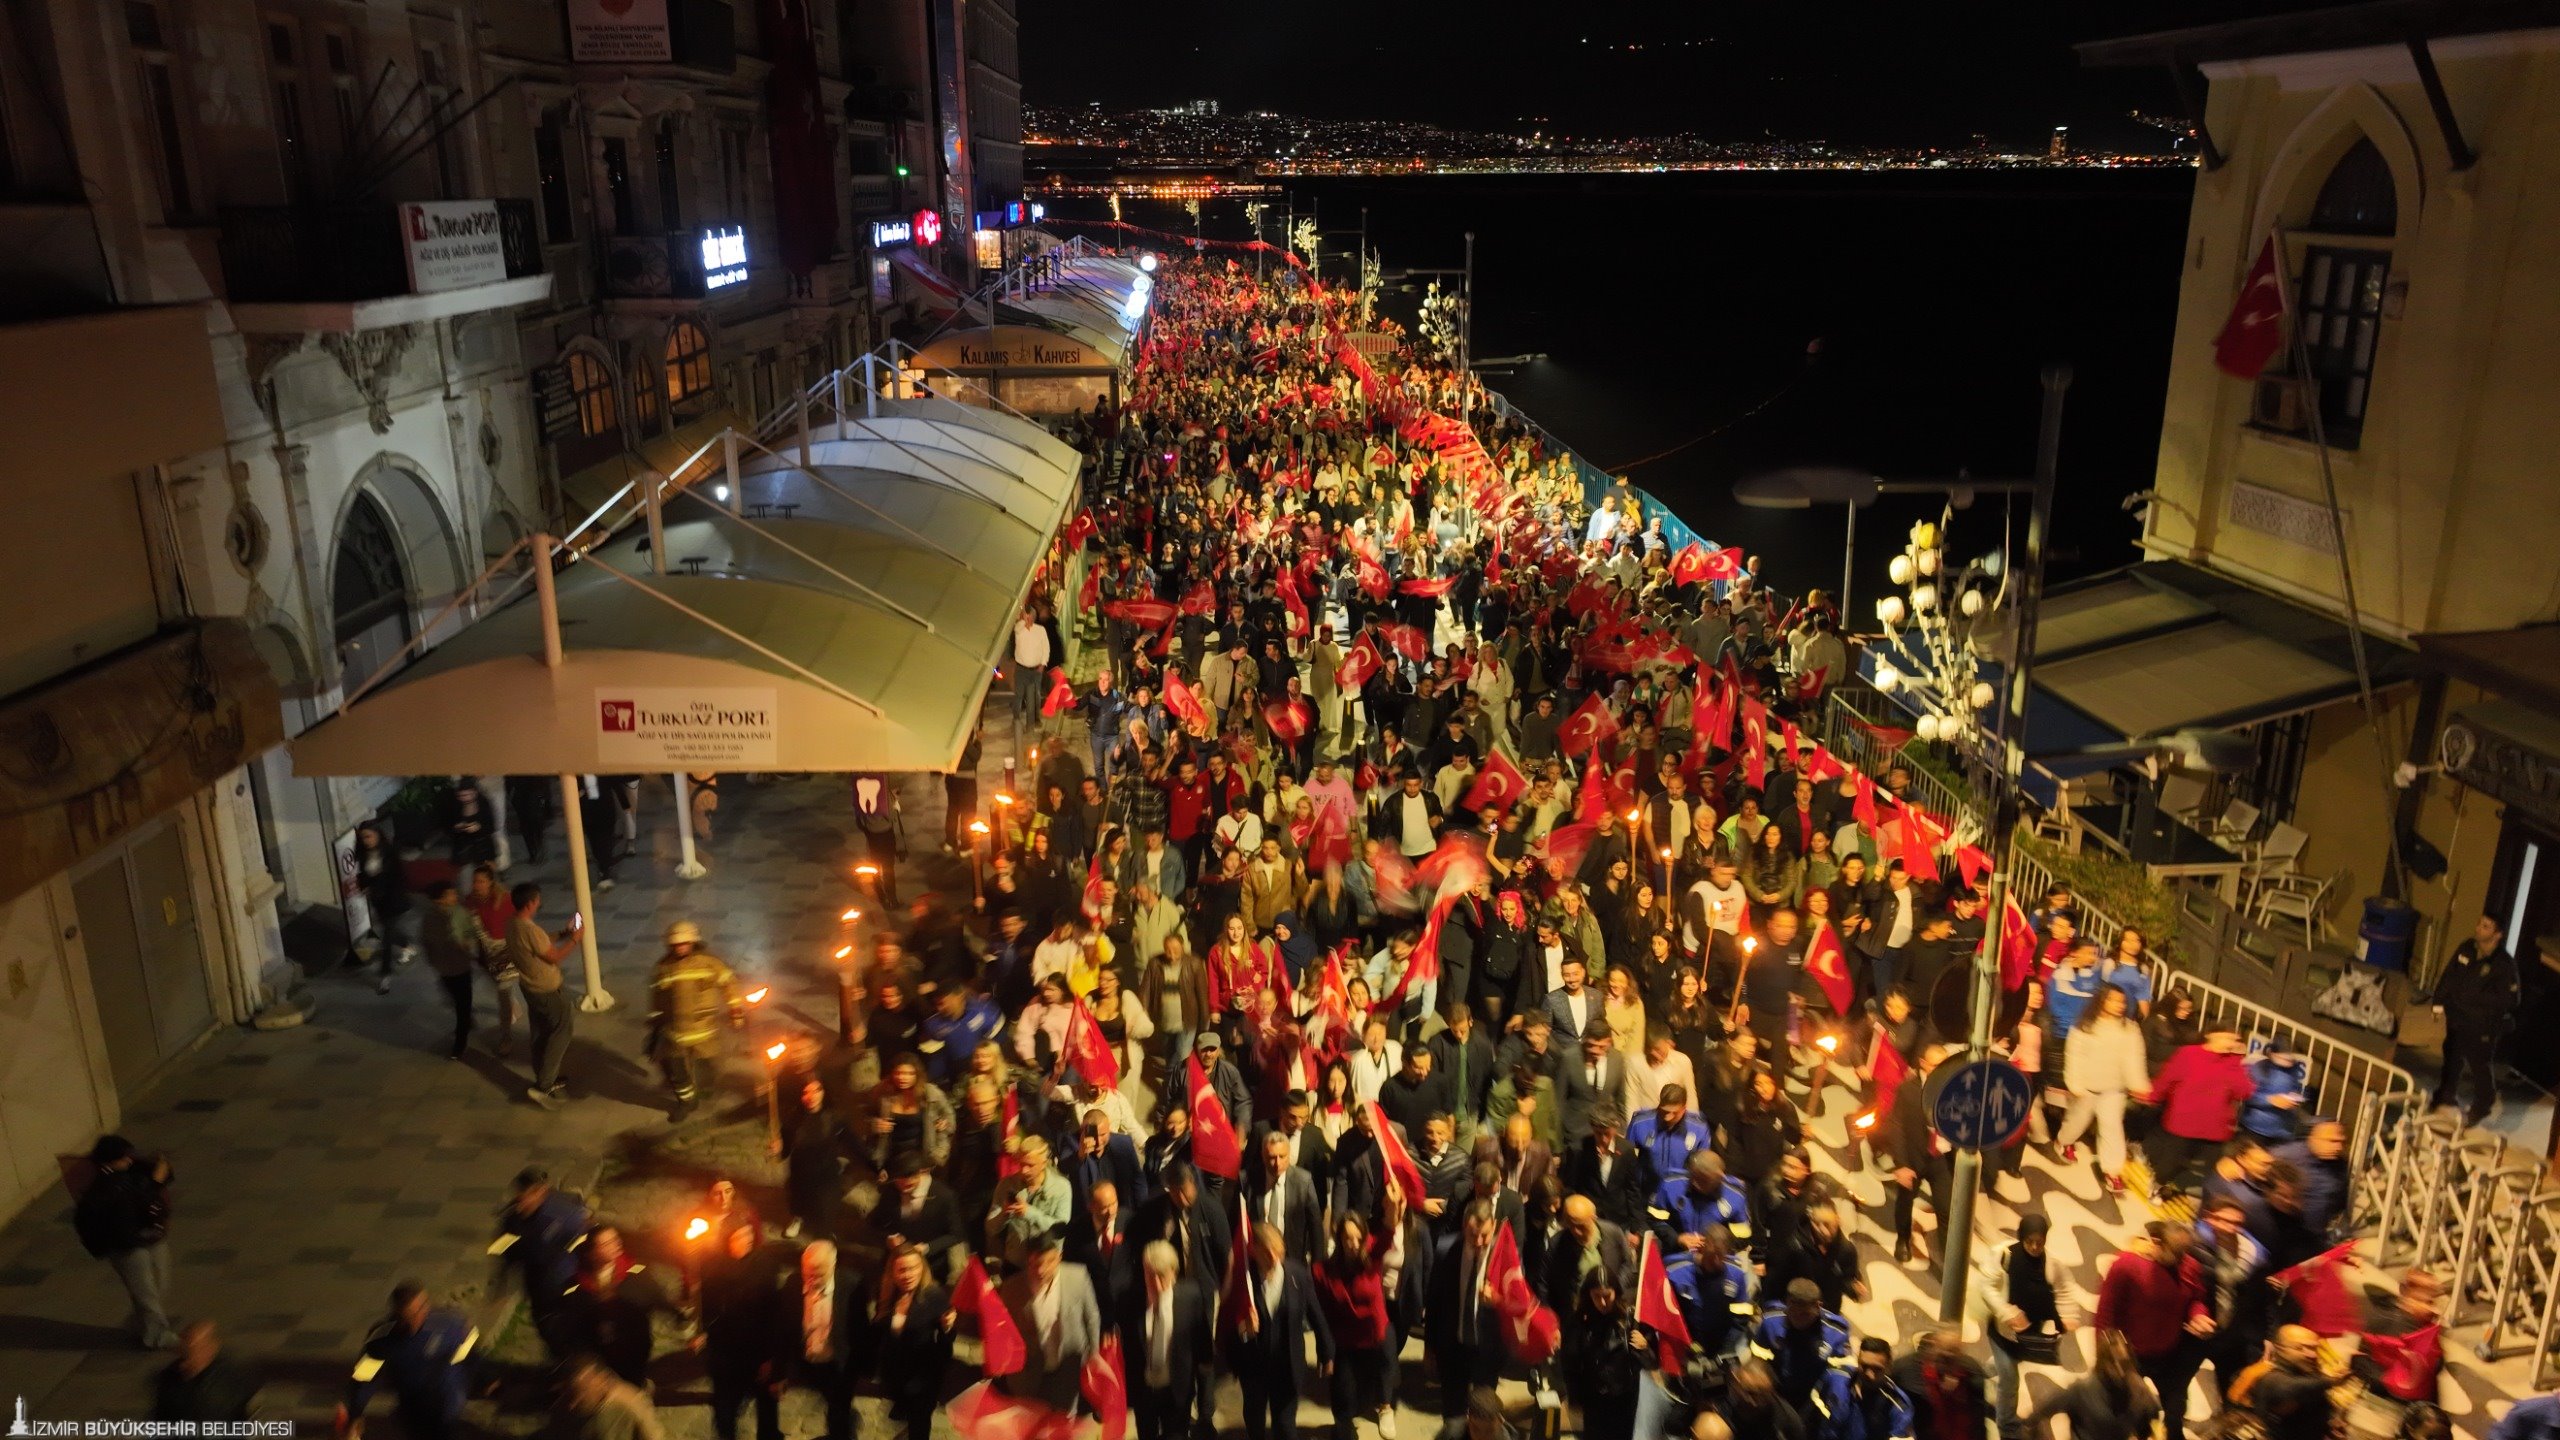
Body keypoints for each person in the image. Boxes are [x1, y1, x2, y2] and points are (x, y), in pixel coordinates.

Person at [2092, 1222, 2208, 1440]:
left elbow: (2196, 1298)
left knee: (2175, 1413)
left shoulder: (2190, 1266)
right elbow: (2105, 1314)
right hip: (2130, 1356)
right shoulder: (2126, 1266)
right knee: (2126, 1409)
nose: (2181, 1259)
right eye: (2176, 1252)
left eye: (2185, 1252)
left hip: (2170, 1353)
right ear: (2156, 1243)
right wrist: (2104, 1356)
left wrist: (2198, 1314)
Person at [1225, 1219, 1335, 1440]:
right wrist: (1244, 1329)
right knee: (1255, 1421)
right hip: (1255, 1368)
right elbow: (1228, 1330)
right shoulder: (1244, 1283)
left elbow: (1316, 1315)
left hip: (1287, 1367)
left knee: (1285, 1427)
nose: (1274, 1258)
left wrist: (1327, 1352)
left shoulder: (1298, 1275)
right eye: (1267, 1252)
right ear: (1253, 1251)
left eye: (1278, 1251)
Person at [1974, 1213, 2074, 1438]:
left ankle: (1981, 1372)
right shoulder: (2004, 1254)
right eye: (2030, 1241)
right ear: (2022, 1237)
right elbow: (1986, 1285)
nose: (2035, 1247)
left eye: (2040, 1242)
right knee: (2009, 1379)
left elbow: (2064, 1287)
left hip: (2030, 1332)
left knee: (2009, 1362)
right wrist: (2006, 1312)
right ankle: (2007, 1425)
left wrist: (2068, 1314)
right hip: (2003, 1331)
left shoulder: (2052, 1263)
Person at [71, 1135, 176, 1349]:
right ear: (109, 1161)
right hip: (126, 1245)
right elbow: (135, 1201)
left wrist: (159, 1167)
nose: (129, 1161)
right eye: (123, 1158)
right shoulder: (105, 1186)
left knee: (158, 1283)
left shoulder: (130, 1171)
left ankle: (139, 1324)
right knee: (146, 1291)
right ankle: (157, 1335)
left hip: (148, 1236)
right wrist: (154, 1183)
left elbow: (163, 1179)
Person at [336, 1283, 477, 1440]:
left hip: (446, 1400)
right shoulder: (382, 1339)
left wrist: (480, 1378)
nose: (419, 1316)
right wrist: (355, 1413)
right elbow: (365, 1377)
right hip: (411, 1405)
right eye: (409, 1315)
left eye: (422, 1308)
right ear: (397, 1315)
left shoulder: (447, 1324)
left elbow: (470, 1346)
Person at [2054, 984, 2148, 1194]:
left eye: (2121, 1001)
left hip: (2114, 1089)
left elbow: (2134, 1059)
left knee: (2112, 1128)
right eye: (2113, 1000)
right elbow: (2074, 1056)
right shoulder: (2085, 1026)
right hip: (2086, 1087)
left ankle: (2112, 1172)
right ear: (2101, 1000)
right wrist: (2074, 1082)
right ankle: (2064, 1141)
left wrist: (2138, 1083)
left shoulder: (2130, 1028)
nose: (2119, 1005)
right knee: (2077, 1120)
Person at [2428, 913, 2520, 1125]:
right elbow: (2449, 975)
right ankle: (2446, 1094)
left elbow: (2511, 999)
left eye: (2486, 926)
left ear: (2497, 935)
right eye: (2479, 923)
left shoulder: (2504, 965)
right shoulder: (2466, 948)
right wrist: (2438, 1002)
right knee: (2452, 1055)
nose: (2478, 928)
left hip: (2482, 1024)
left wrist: (2478, 998)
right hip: (2457, 1016)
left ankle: (2483, 1103)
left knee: (2479, 1063)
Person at [2145, 1029, 2256, 1202]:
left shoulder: (2232, 1063)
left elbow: (2244, 1091)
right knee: (2171, 1164)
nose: (2231, 1043)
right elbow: (2169, 1077)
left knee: (2214, 1170)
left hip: (2215, 1128)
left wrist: (2236, 1063)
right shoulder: (2189, 1054)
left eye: (2235, 1040)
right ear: (2211, 1035)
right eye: (2227, 1037)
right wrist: (2154, 1095)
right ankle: (2157, 1186)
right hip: (2184, 1123)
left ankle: (2211, 1204)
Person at [647, 920, 743, 1120]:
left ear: (693, 942)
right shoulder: (664, 968)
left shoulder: (709, 964)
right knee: (677, 1072)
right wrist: (655, 1024)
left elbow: (729, 983)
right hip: (676, 1033)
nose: (680, 947)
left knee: (709, 1068)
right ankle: (687, 1103)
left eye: (684, 943)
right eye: (676, 945)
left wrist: (736, 1009)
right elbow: (658, 997)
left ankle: (707, 1089)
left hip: (705, 1031)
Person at [507, 882, 583, 1109]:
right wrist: (575, 939)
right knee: (561, 1031)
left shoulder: (512, 924)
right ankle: (544, 1085)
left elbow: (538, 944)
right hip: (547, 989)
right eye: (538, 900)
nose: (539, 903)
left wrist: (562, 933)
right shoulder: (531, 930)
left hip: (529, 988)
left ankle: (544, 1076)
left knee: (540, 1033)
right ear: (531, 903)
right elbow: (555, 957)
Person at [1127, 1239, 1212, 1440]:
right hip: (1145, 1395)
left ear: (1174, 1274)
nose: (1155, 1284)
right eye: (1150, 1275)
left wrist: (1205, 1409)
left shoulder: (1191, 1299)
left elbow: (1204, 1356)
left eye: (1162, 1276)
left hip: (1177, 1395)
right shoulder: (1131, 1301)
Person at [2024, 1330, 2157, 1440]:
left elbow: (2147, 1421)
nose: (2120, 1371)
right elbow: (2041, 1412)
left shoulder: (2138, 1391)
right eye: (2113, 1363)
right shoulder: (2082, 1390)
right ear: (2103, 1363)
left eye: (2123, 1363)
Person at [420, 880, 494, 1060]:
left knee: (463, 1005)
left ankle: (460, 1043)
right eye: (450, 894)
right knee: (456, 1000)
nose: (455, 896)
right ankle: (467, 1021)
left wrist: (468, 942)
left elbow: (471, 931)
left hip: (461, 966)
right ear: (439, 900)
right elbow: (429, 942)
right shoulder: (430, 919)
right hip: (444, 968)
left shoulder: (460, 912)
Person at [153, 1320, 260, 1422]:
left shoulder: (233, 1378)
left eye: (195, 1349)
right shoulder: (168, 1378)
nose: (187, 1359)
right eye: (185, 1350)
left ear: (210, 1349)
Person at [552, 1352, 666, 1440]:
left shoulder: (630, 1404)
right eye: (572, 1394)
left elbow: (654, 1436)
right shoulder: (571, 1403)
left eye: (582, 1393)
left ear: (601, 1383)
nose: (572, 1405)